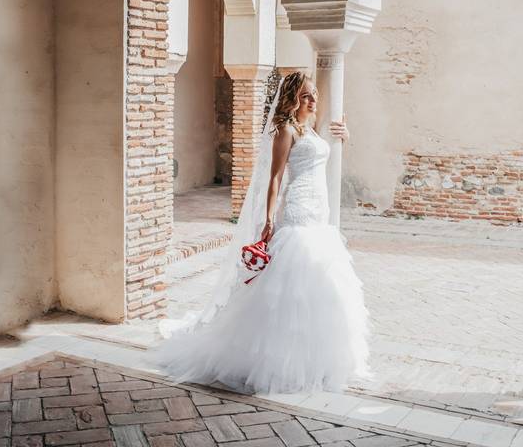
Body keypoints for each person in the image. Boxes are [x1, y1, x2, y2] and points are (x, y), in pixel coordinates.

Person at [151, 71, 370, 394]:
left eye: (314, 96)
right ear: (293, 98)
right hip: (297, 208)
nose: (313, 100)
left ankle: (318, 359)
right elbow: (275, 178)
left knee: (323, 281)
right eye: (307, 96)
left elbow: (323, 156)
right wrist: (268, 218)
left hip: (319, 209)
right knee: (294, 278)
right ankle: (277, 358)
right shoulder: (285, 130)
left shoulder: (309, 128)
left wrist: (344, 134)